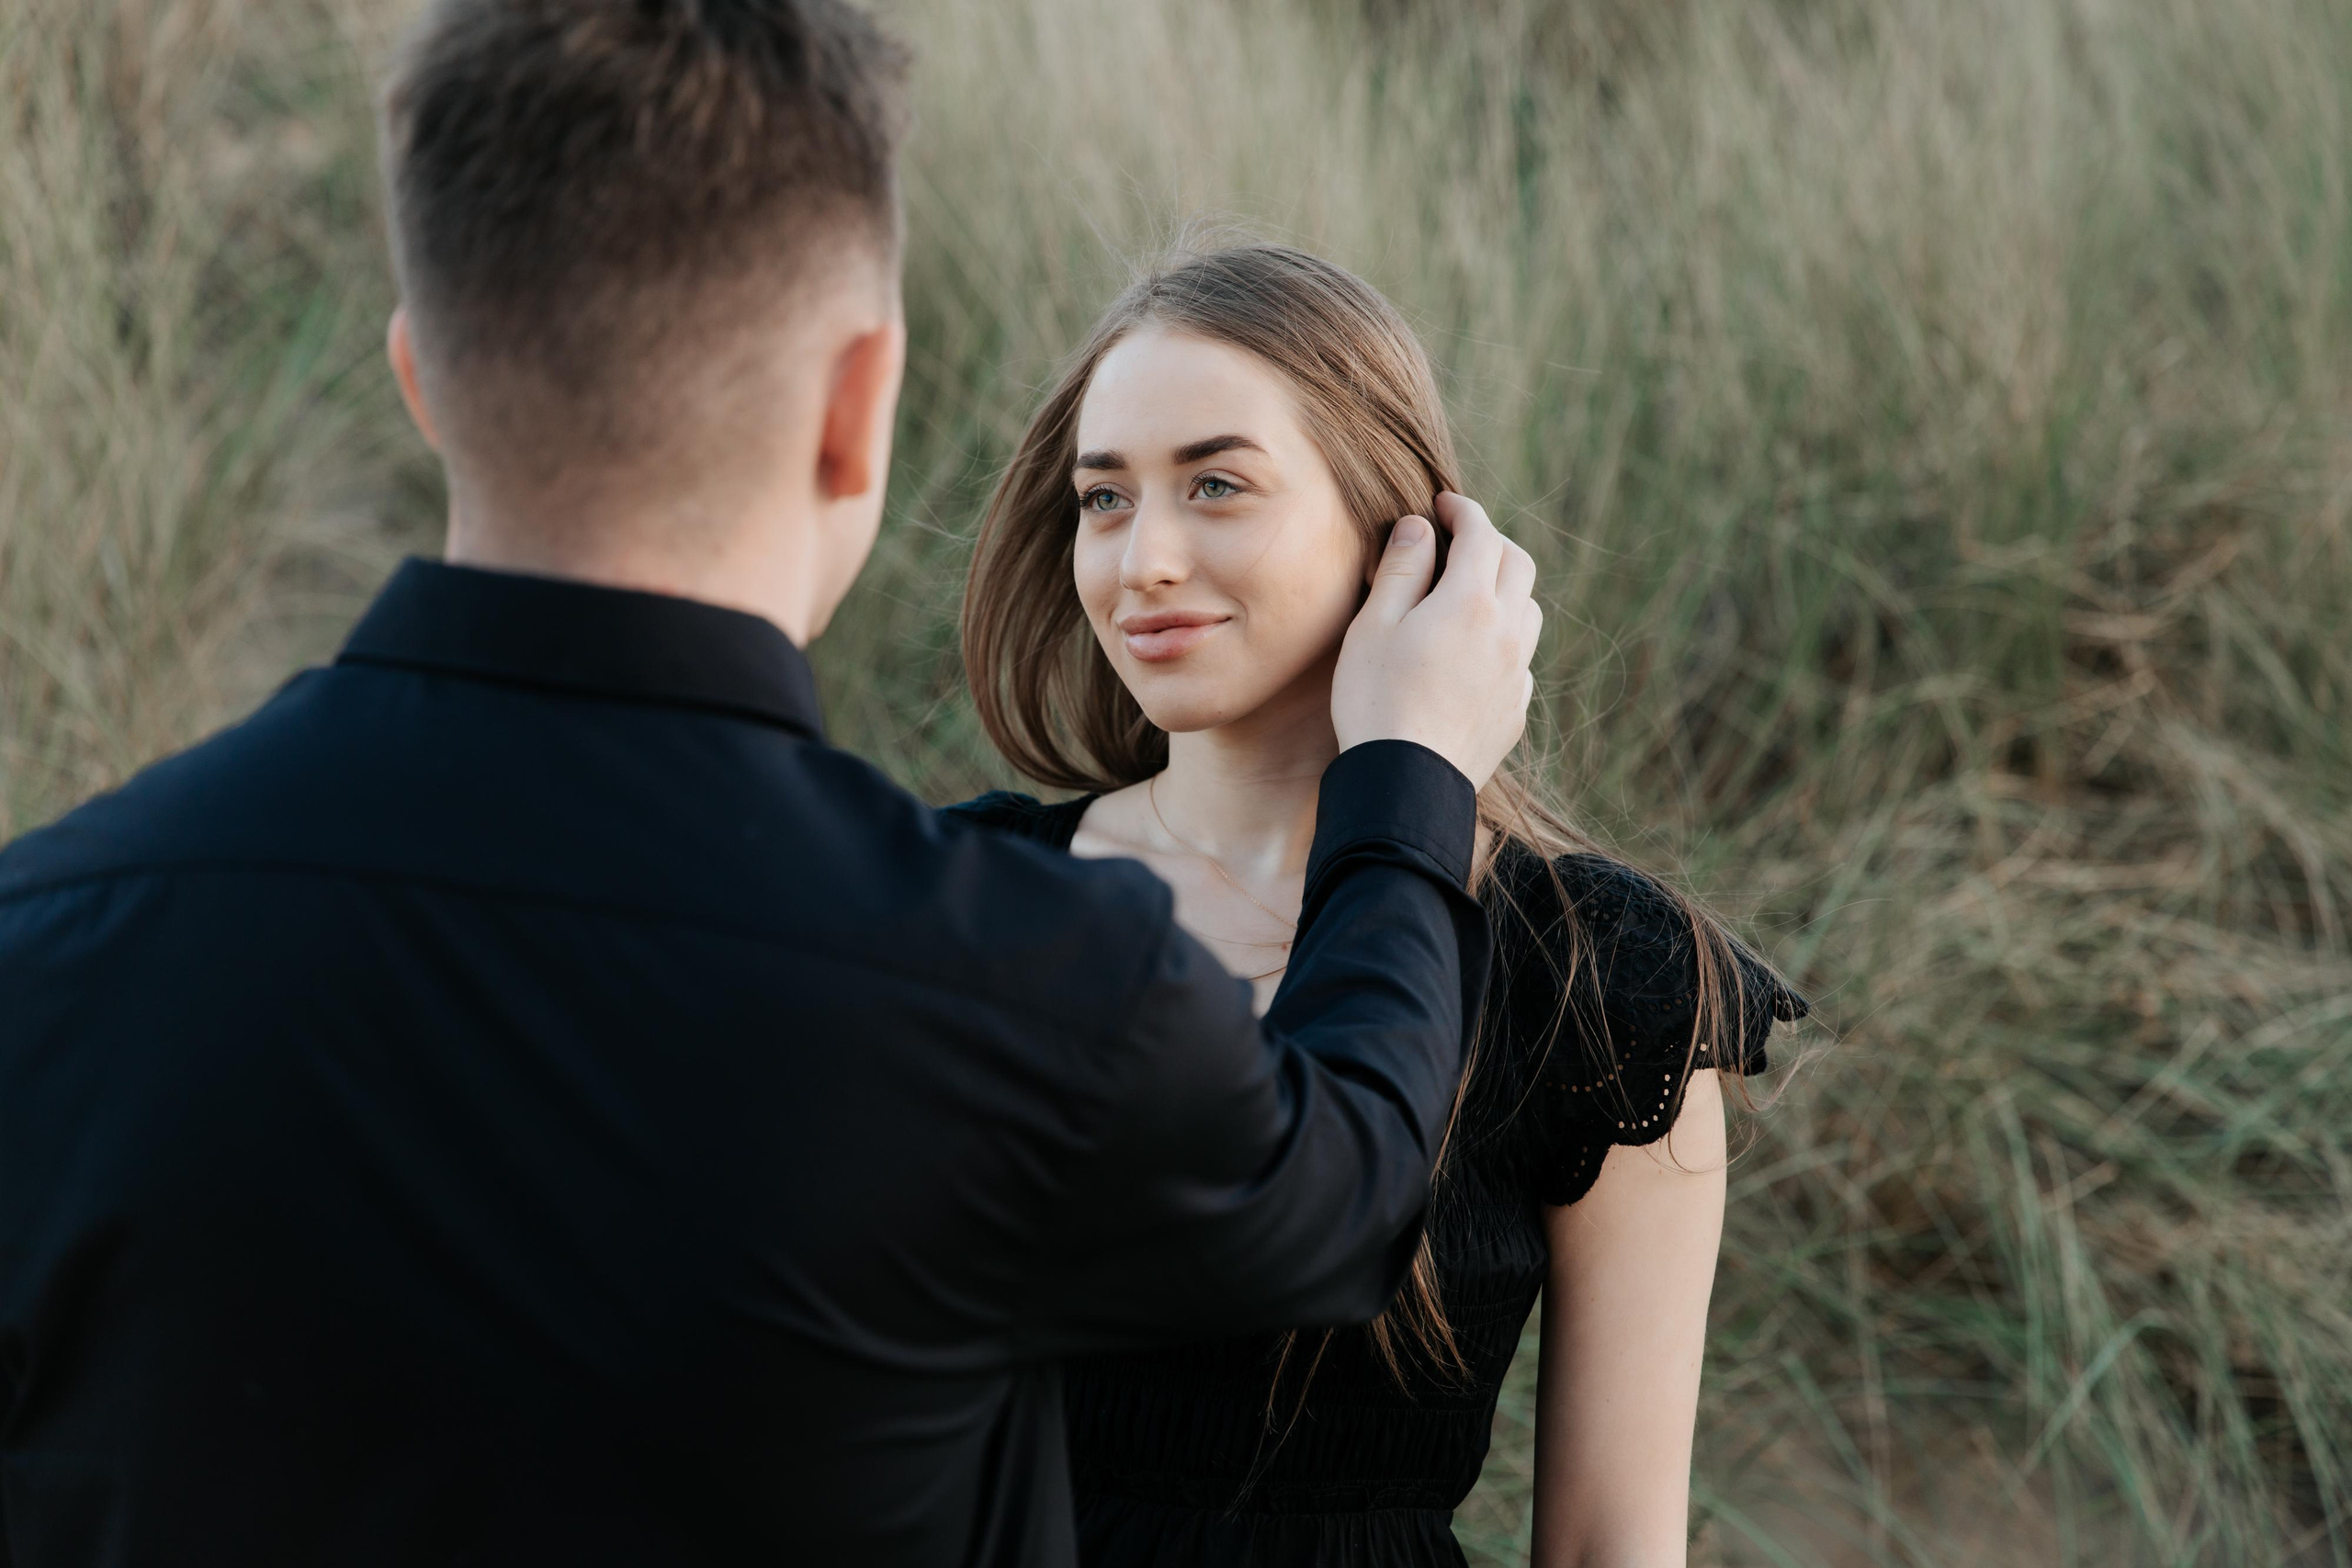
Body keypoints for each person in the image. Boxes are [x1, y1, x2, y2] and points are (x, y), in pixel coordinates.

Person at [0, 8, 1544, 1567]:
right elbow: (1337, 1194)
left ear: (419, 374)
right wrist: (1407, 774)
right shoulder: (1014, 980)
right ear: (857, 401)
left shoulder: (39, 939)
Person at [948, 243, 1810, 1567]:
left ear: (1401, 531)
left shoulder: (1597, 977)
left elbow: (1611, 1547)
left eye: (1217, 484)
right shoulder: (957, 899)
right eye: (1104, 498)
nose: (1146, 561)